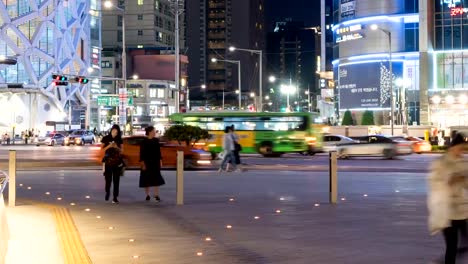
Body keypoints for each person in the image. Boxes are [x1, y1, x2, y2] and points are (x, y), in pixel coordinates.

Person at [428, 133, 468, 264]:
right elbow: (434, 183)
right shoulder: (441, 163)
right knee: (452, 246)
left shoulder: (463, 162)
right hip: (447, 211)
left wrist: (464, 179)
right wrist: (449, 180)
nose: (461, 152)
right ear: (453, 147)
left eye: (464, 149)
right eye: (460, 148)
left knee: (464, 243)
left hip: (462, 210)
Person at [139, 126, 165, 201]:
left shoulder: (156, 140)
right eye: (154, 131)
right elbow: (142, 153)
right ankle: (147, 195)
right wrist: (142, 163)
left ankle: (156, 195)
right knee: (146, 178)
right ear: (150, 132)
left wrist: (160, 161)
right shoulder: (143, 141)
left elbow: (158, 152)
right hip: (146, 162)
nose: (155, 132)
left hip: (155, 162)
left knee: (156, 178)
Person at [101, 124, 124, 204]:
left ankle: (115, 197)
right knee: (108, 179)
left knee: (116, 180)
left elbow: (122, 151)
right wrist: (109, 146)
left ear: (118, 133)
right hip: (108, 161)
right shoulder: (106, 138)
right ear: (111, 130)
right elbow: (102, 150)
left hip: (117, 162)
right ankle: (107, 191)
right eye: (113, 131)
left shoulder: (119, 139)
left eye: (116, 132)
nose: (114, 133)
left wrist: (116, 147)